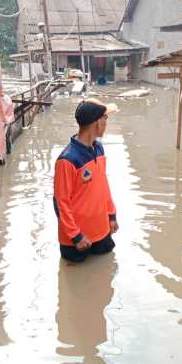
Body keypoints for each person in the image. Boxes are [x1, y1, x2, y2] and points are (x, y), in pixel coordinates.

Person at [54, 98, 119, 263]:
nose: (106, 123)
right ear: (97, 122)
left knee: (106, 273)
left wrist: (111, 215)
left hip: (101, 229)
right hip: (76, 239)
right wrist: (75, 236)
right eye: (105, 119)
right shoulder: (67, 159)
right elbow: (60, 202)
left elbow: (103, 185)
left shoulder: (98, 149)